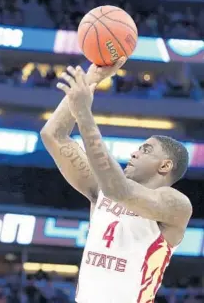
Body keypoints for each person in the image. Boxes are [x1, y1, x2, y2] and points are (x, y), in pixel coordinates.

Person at [40, 59, 192, 303]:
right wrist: (90, 80)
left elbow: (119, 190)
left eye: (145, 150)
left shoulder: (175, 204)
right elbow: (54, 136)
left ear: (165, 166)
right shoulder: (101, 189)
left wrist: (84, 114)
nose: (134, 153)